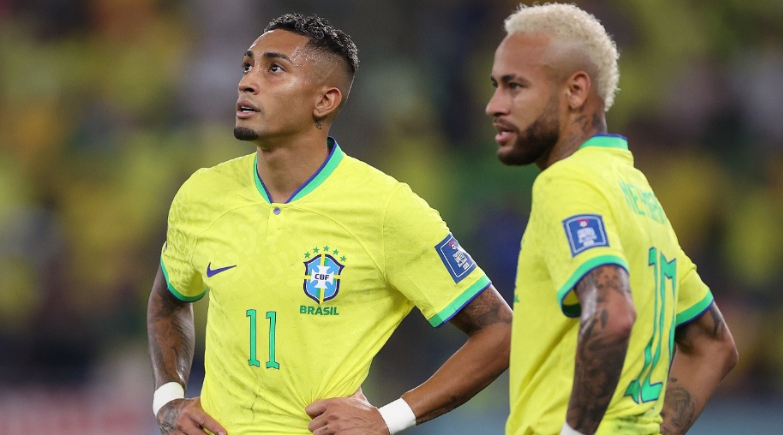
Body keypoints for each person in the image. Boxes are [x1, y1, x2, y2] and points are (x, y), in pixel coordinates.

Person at [147, 13, 512, 435]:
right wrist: (167, 397)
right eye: (248, 66)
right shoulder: (203, 194)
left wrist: (388, 418)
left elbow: (499, 331)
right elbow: (168, 299)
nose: (247, 82)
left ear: (325, 101)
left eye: (274, 69)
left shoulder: (386, 209)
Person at [484, 4, 738, 435]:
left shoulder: (567, 182)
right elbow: (713, 344)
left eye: (515, 86)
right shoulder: (636, 192)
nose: (494, 105)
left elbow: (613, 312)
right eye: (496, 86)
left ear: (575, 90)